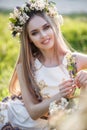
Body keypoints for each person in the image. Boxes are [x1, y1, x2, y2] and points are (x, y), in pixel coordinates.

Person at [0, 0, 87, 129]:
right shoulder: (26, 65)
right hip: (18, 117)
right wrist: (60, 95)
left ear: (54, 26)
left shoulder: (72, 61)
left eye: (46, 27)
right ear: (29, 39)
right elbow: (33, 113)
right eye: (35, 33)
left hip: (54, 123)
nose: (43, 35)